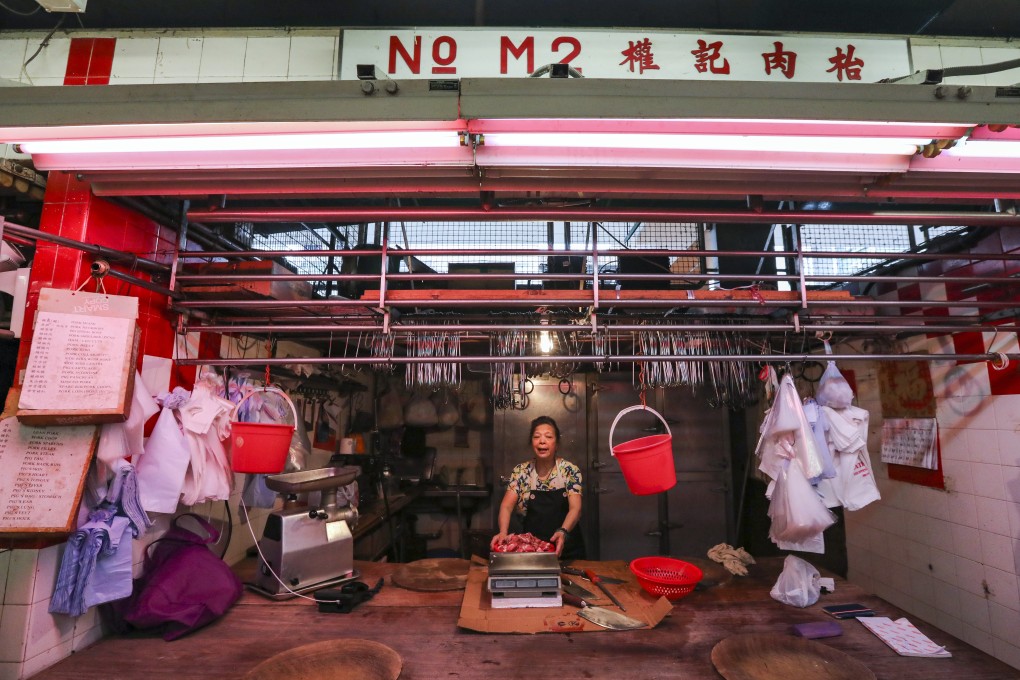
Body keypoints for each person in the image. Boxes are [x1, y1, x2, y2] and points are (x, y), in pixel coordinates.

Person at [490, 415, 585, 559]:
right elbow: (506, 506)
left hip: (567, 549)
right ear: (531, 442)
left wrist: (563, 532)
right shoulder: (521, 471)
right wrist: (503, 531)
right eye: (536, 437)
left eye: (548, 436)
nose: (542, 441)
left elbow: (575, 509)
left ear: (557, 443)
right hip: (533, 549)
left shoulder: (569, 470)